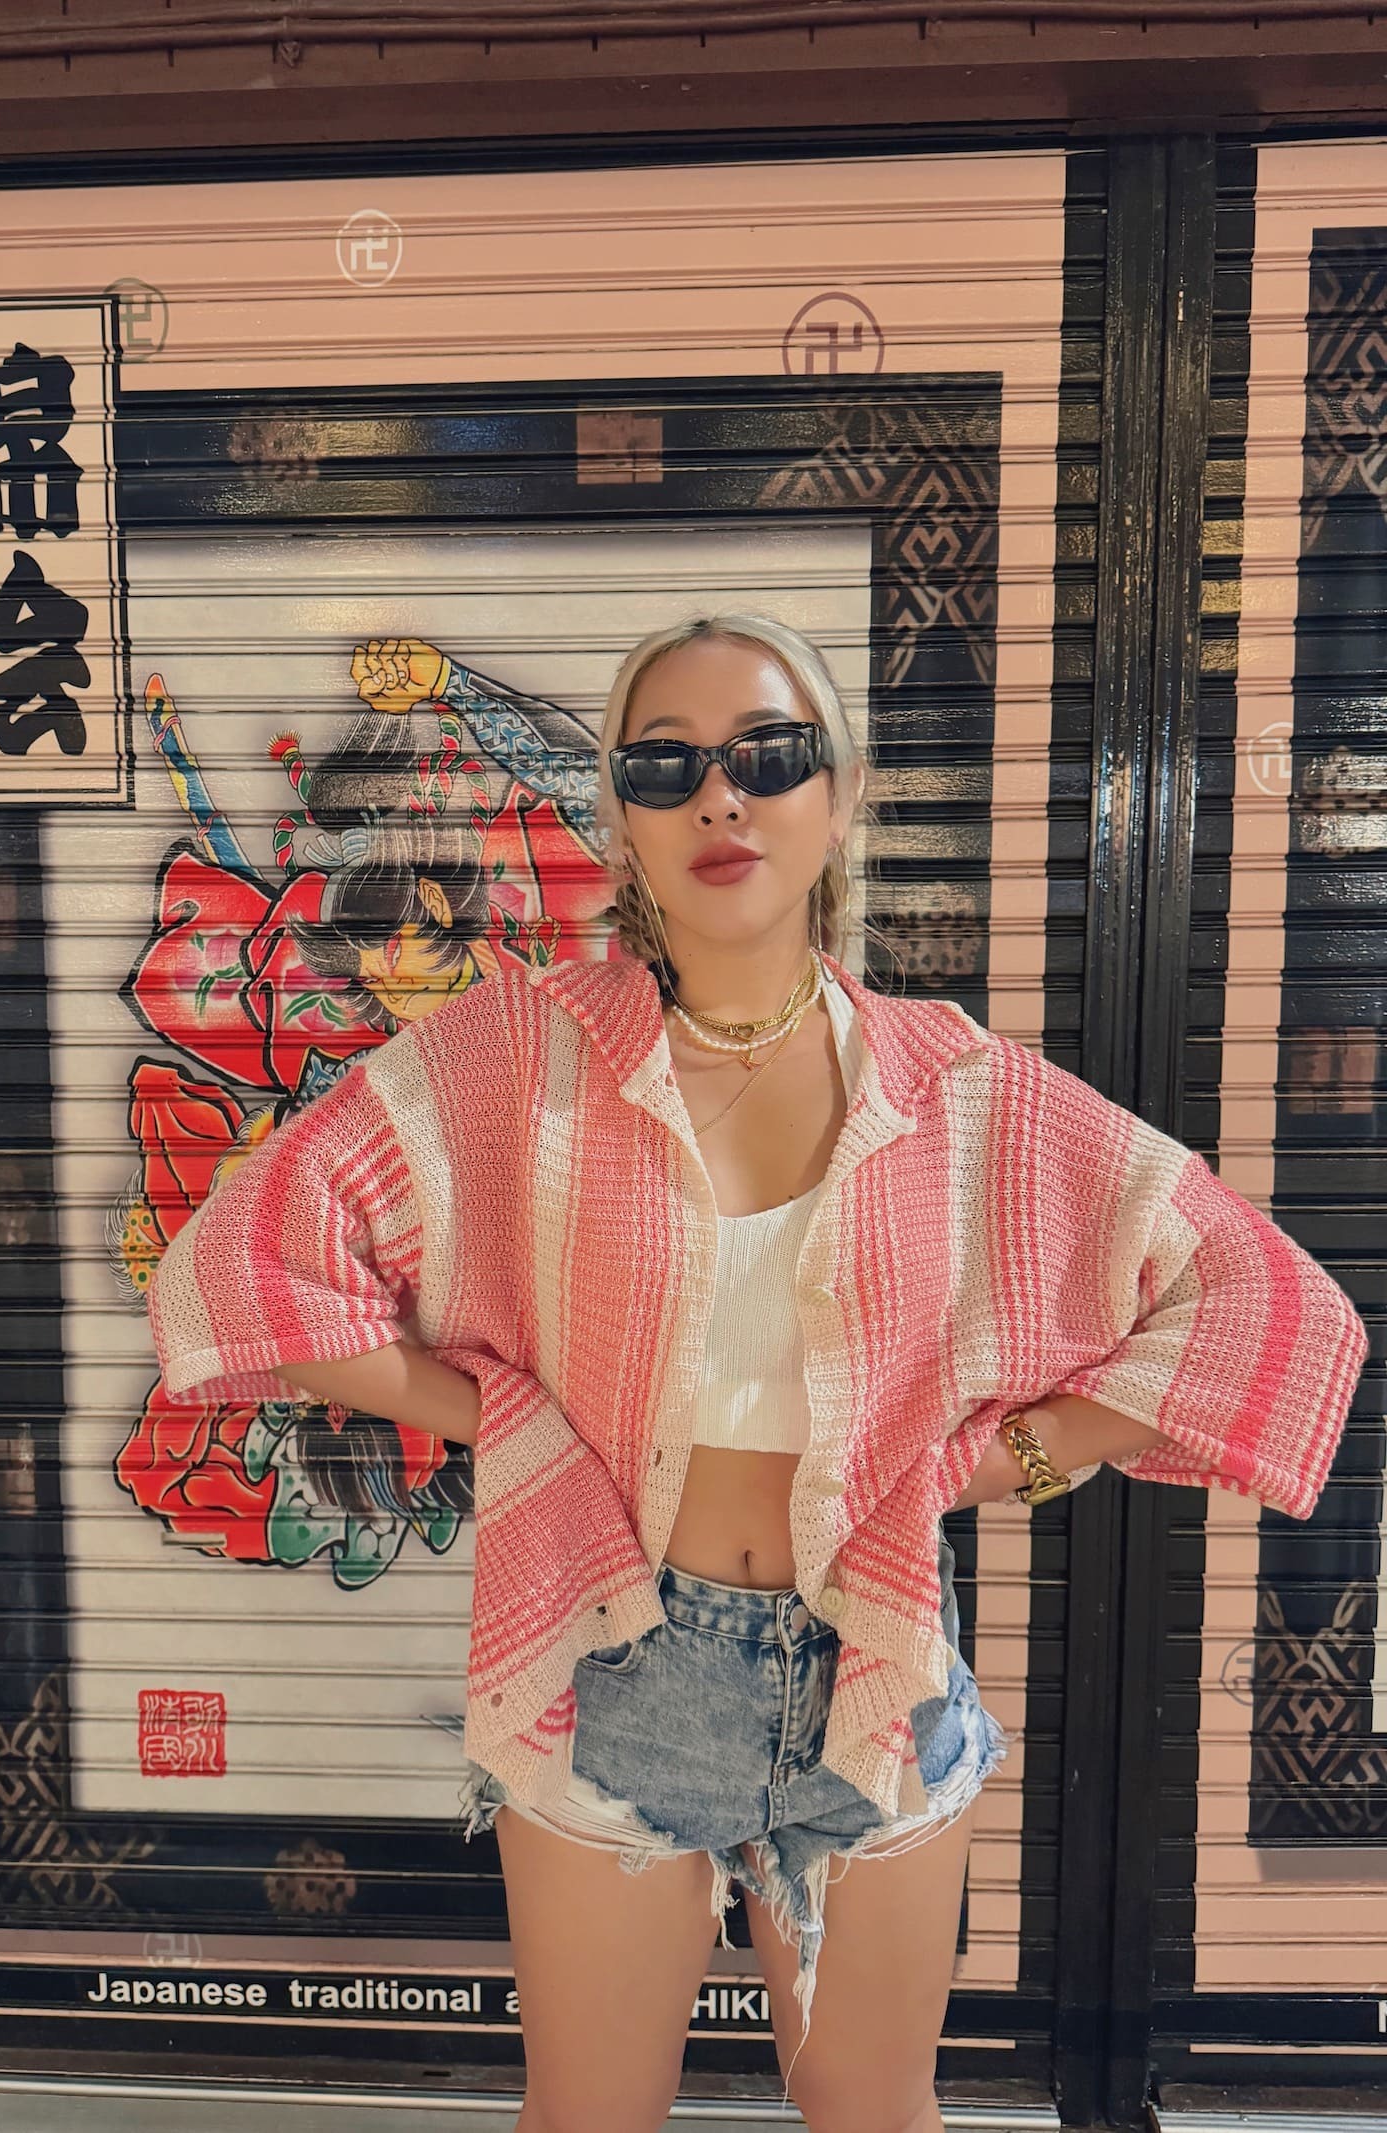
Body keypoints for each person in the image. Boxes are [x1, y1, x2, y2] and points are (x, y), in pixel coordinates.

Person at [146, 613, 1368, 2133]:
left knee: (877, 2116)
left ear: (838, 797)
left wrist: (1022, 1456)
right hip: (612, 1654)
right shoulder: (520, 1058)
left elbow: (1255, 1293)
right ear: (623, 822)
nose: (720, 797)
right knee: (587, 2119)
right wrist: (504, 1416)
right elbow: (244, 1254)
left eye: (768, 755)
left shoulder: (955, 1087)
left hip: (874, 1656)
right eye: (665, 766)